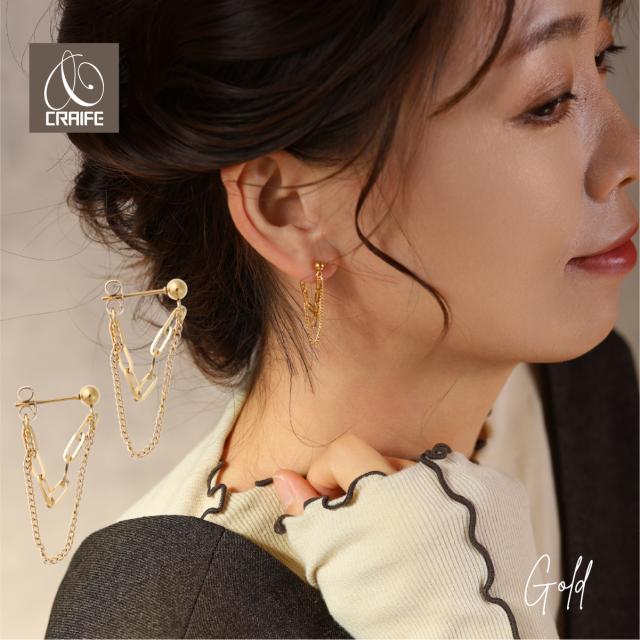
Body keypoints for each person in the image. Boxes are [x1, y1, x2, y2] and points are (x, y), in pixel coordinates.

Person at [45, 0, 638, 638]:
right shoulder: (170, 617)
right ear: (289, 209)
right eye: (547, 102)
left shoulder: (578, 398)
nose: (627, 153)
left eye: (601, 57)